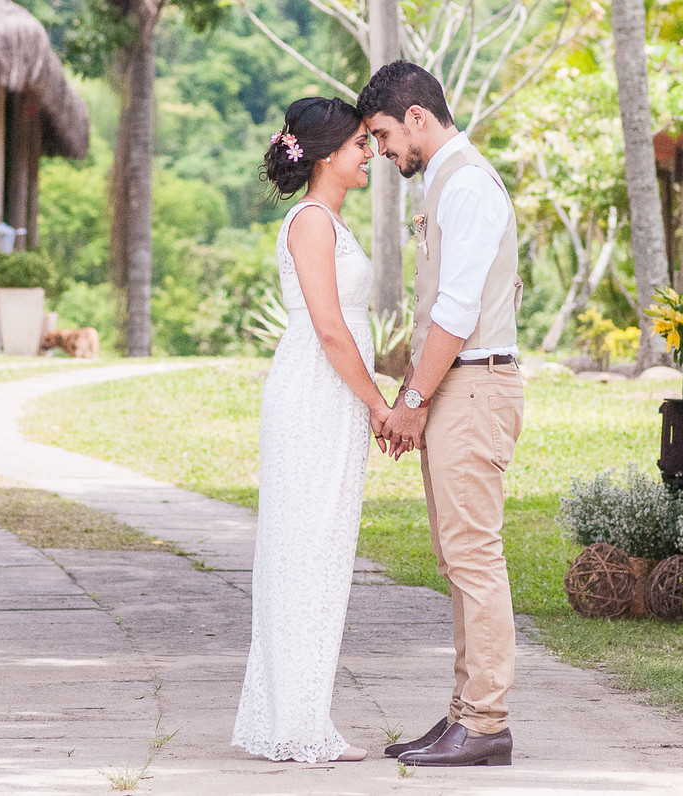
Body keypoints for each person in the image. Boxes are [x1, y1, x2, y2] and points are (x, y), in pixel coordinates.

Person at [357, 61, 524, 768]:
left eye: (384, 135)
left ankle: (485, 720)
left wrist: (413, 400)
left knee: (475, 556)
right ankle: (464, 714)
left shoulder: (469, 185)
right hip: (456, 384)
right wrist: (418, 397)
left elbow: (456, 311)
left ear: (417, 117)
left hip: (475, 384)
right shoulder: (443, 182)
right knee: (456, 556)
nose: (382, 152)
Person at [232, 97, 389, 764]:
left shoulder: (327, 221)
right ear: (327, 155)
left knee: (323, 550)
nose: (371, 153)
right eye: (360, 143)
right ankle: (297, 722)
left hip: (331, 396)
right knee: (305, 549)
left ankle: (303, 713)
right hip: (314, 394)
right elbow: (329, 329)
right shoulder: (312, 224)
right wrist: (381, 405)